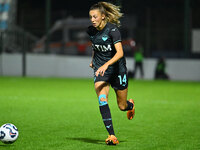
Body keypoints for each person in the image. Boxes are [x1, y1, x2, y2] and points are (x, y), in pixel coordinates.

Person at [87, 2, 135, 145]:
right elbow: (95, 47)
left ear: (103, 16)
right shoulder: (90, 30)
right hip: (101, 70)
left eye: (95, 17)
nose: (92, 20)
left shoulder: (113, 31)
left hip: (117, 69)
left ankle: (130, 105)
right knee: (102, 99)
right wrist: (93, 61)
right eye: (90, 17)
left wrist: (106, 64)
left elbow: (120, 53)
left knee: (121, 106)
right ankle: (112, 136)